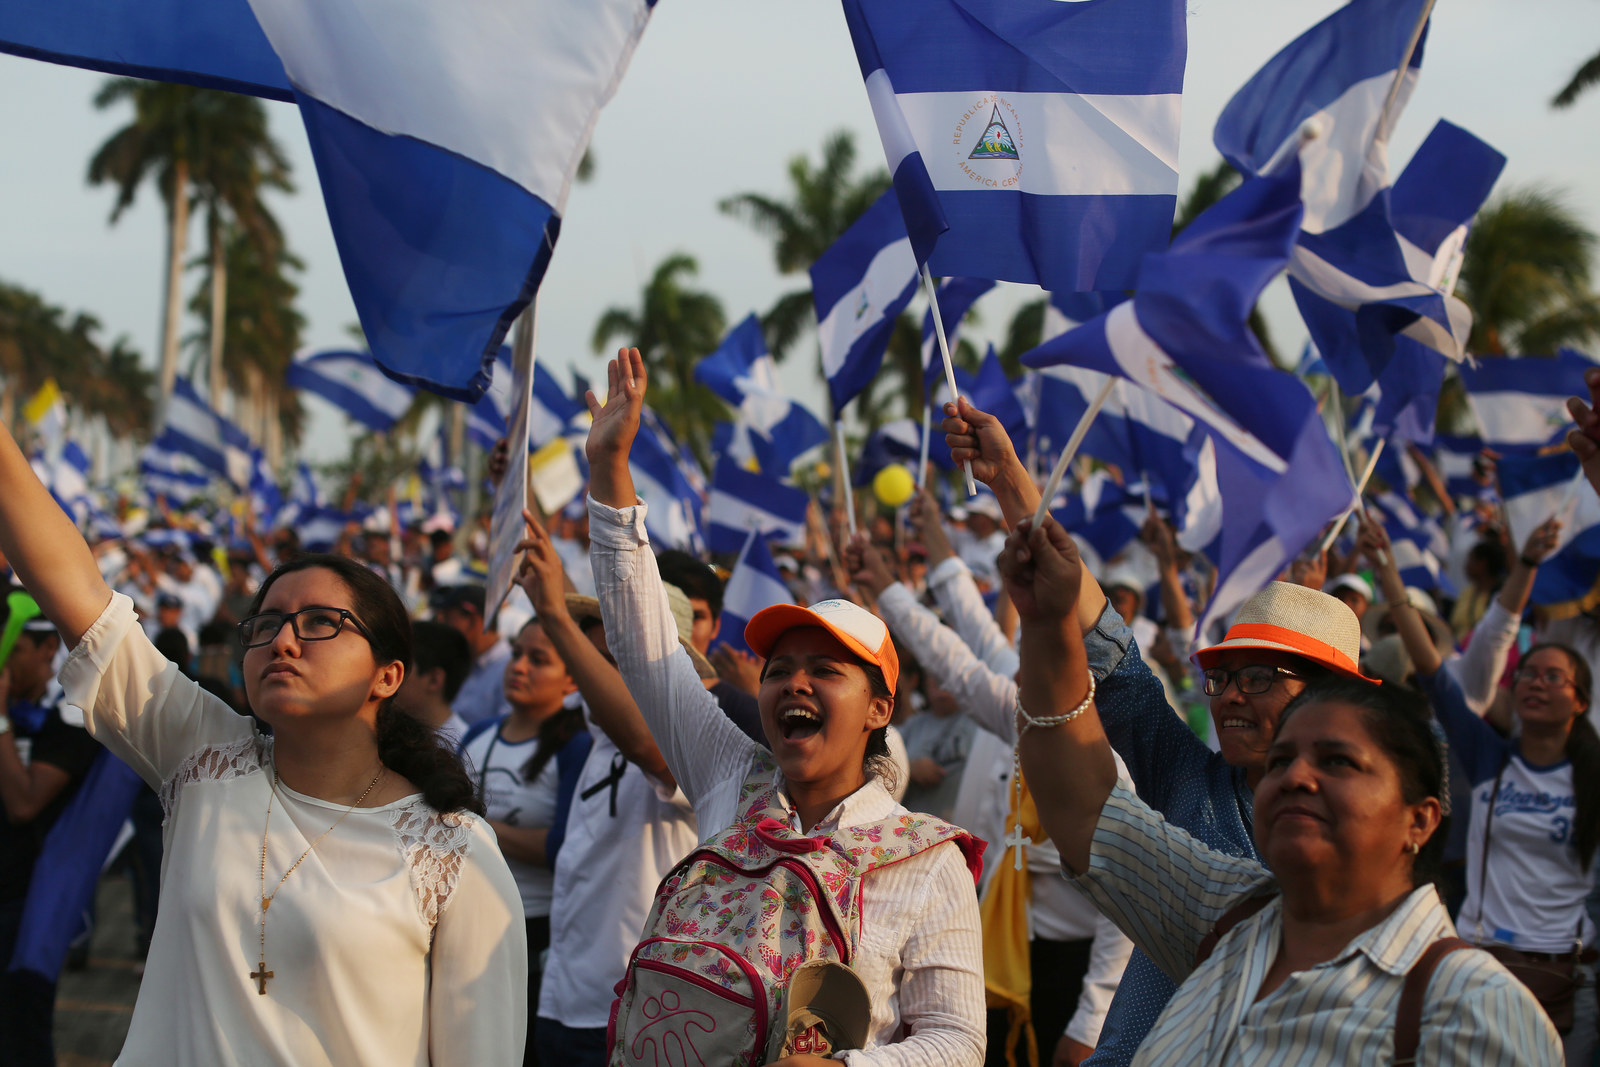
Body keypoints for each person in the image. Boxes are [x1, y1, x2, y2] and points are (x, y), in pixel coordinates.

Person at [0, 411, 527, 1065]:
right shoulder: (201, 754)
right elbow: (74, 589)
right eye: (268, 621)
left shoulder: (454, 851)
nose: (282, 638)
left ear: (387, 674)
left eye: (320, 622)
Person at [999, 512, 1561, 1064]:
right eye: (1284, 757)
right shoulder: (1226, 912)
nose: (1294, 776)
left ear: (1420, 818)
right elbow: (1083, 805)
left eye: (1337, 761)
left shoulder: (1477, 1014)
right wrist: (1048, 625)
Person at [941, 397, 1381, 1066]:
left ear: (1332, 700)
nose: (1231, 694)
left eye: (1259, 677)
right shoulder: (1191, 781)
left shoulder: (1373, 864)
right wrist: (1009, 482)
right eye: (1224, 675)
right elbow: (1108, 648)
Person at [586, 349, 985, 1065]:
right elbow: (644, 641)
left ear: (878, 708)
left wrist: (845, 1066)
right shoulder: (729, 777)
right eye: (779, 670)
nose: (794, 684)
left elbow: (958, 1041)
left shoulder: (926, 861)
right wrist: (611, 474)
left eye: (824, 671)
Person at [1365, 518, 1600, 1061]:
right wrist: (1389, 578)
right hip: (1482, 970)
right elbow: (1432, 669)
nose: (1536, 683)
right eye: (1528, 674)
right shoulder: (1489, 758)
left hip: (1570, 982)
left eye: (1553, 677)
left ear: (1581, 701)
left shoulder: (1594, 779)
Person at [510, 510, 698, 1067]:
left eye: (617, 660)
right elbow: (584, 634)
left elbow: (647, 745)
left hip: (640, 1013)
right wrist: (527, 505)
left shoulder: (697, 734)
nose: (597, 673)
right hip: (565, 997)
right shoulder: (598, 729)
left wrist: (550, 612)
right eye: (598, 658)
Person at [458, 619, 589, 1067]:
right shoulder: (477, 736)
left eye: (539, 659)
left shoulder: (576, 747)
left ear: (572, 679)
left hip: (537, 929)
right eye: (517, 653)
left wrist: (474, 824)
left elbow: (562, 848)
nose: (519, 667)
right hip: (468, 920)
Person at [0, 590, 100, 1065]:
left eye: (12, 651)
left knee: (20, 1030)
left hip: (28, 901)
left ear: (45, 651)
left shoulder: (69, 716)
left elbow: (23, 803)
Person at [656, 549, 767, 746]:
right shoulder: (617, 681)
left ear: (715, 626)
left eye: (696, 617)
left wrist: (760, 701)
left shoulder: (742, 708)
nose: (683, 628)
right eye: (671, 614)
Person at [431, 583, 512, 726]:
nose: (442, 624)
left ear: (472, 619)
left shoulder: (510, 670)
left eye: (448, 617)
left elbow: (499, 733)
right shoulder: (463, 659)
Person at [395, 619, 472, 748]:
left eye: (402, 667)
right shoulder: (396, 737)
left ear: (434, 680)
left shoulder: (464, 749)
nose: (389, 675)